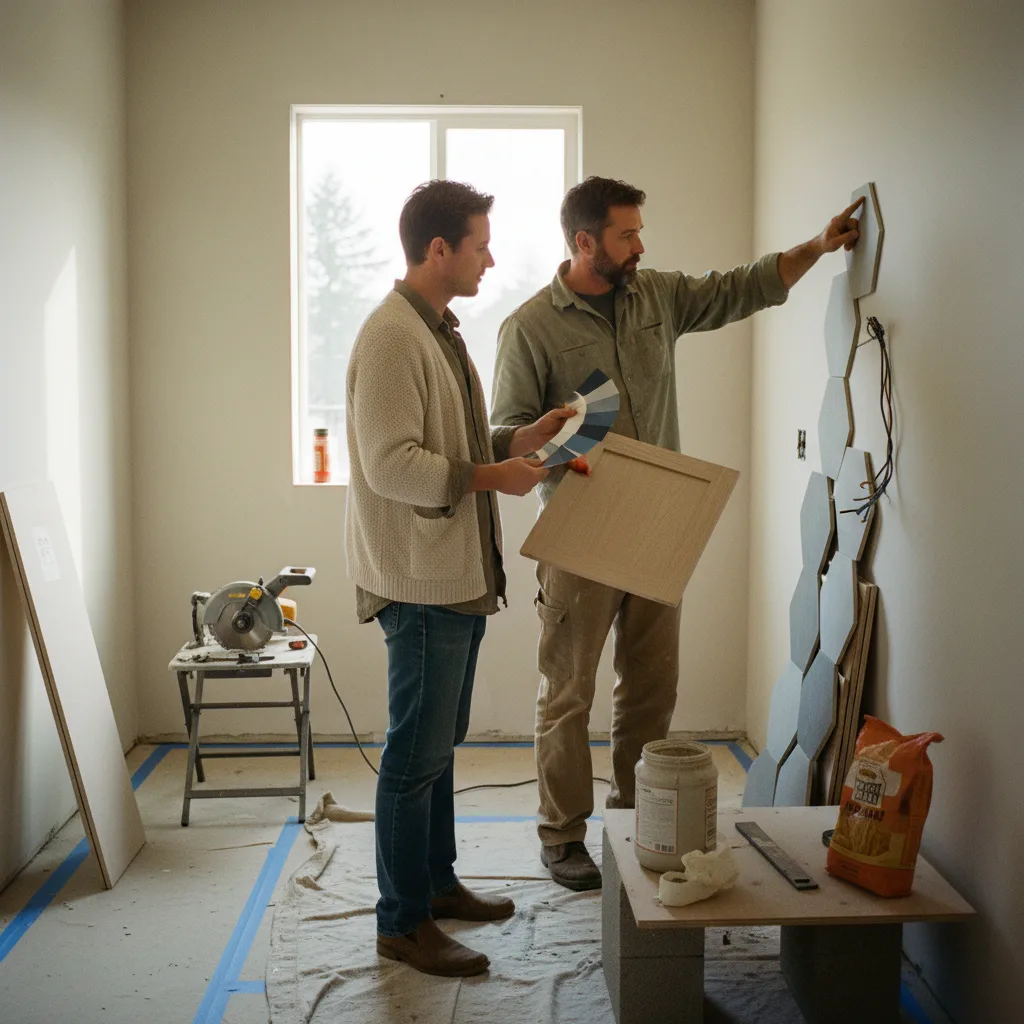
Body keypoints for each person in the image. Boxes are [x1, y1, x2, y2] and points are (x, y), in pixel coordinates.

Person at [491, 176, 862, 891]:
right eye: (627, 234)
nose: (640, 246)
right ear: (583, 241)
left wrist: (816, 246)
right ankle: (562, 836)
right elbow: (506, 432)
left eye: (639, 232)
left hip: (660, 524)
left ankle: (634, 821)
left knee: (652, 689)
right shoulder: (531, 327)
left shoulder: (654, 296)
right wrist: (557, 440)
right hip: (579, 531)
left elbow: (738, 289)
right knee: (568, 691)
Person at [345, 179, 579, 976]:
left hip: (452, 576)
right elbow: (390, 466)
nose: (491, 257)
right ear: (438, 249)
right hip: (418, 583)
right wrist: (490, 476)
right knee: (414, 755)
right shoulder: (391, 338)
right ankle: (400, 922)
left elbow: (457, 438)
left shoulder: (439, 331)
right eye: (480, 243)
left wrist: (521, 438)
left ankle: (436, 886)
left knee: (439, 746)